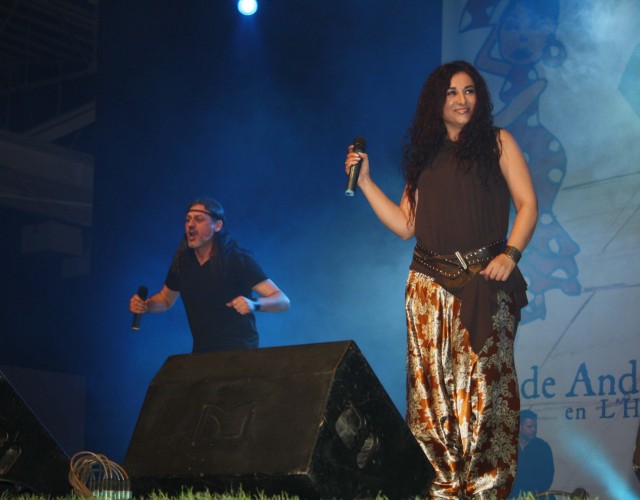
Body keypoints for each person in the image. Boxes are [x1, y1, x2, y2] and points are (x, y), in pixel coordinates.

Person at [344, 60, 537, 497]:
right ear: (437, 101)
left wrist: (510, 255)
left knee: (485, 392)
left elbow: (528, 204)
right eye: (452, 92)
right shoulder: (424, 156)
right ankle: (442, 490)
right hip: (427, 285)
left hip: (484, 280)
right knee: (430, 398)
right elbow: (405, 225)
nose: (462, 100)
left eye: (469, 91)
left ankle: (485, 489)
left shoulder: (498, 141)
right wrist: (367, 182)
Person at [129, 197, 290, 352]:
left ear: (217, 225)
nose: (190, 224)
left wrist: (254, 304)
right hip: (202, 352)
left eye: (198, 219)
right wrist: (146, 306)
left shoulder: (236, 260)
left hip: (240, 352)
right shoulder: (182, 262)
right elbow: (165, 300)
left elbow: (283, 301)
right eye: (187, 220)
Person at [509, 410, 555, 498]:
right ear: (519, 427)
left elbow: (548, 476)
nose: (534, 430)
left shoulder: (542, 447)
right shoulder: (509, 447)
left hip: (537, 495)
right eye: (529, 427)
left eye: (535, 426)